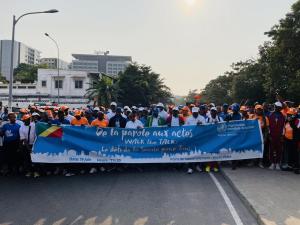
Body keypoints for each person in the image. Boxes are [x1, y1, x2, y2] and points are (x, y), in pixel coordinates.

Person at [185, 107, 206, 174]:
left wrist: (201, 124)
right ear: (192, 112)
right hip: (191, 138)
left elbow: (206, 127)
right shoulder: (189, 118)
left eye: (196, 113)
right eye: (194, 113)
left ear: (198, 112)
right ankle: (190, 167)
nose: (195, 114)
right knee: (191, 153)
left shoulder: (202, 118)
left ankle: (197, 166)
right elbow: (185, 127)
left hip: (199, 138)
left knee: (198, 152)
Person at [205, 107, 223, 172]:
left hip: (217, 138)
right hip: (209, 138)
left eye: (214, 111)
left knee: (215, 153)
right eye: (212, 111)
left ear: (216, 112)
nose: (213, 112)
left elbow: (223, 128)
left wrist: (218, 124)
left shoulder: (219, 118)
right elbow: (205, 128)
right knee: (209, 152)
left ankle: (215, 166)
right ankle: (208, 166)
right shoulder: (207, 119)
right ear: (210, 112)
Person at [268, 101, 286, 170]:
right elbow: (268, 126)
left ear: (280, 108)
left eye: (278, 107)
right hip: (272, 135)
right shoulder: (270, 115)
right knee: (271, 149)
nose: (276, 108)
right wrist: (269, 135)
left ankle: (278, 163)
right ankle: (272, 163)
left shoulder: (283, 116)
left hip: (279, 135)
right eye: (276, 107)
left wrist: (282, 135)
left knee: (279, 150)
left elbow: (284, 126)